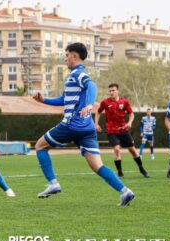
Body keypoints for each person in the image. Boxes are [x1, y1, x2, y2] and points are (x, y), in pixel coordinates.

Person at [32, 42, 134, 206]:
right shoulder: (74, 76)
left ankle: (53, 184)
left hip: (72, 124)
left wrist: (89, 104)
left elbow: (91, 85)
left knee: (39, 146)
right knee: (97, 166)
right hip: (87, 128)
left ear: (74, 56)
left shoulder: (78, 74)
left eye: (66, 56)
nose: (65, 59)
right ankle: (125, 191)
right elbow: (63, 100)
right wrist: (44, 100)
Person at [95, 83, 150, 178]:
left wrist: (129, 123)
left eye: (113, 90)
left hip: (123, 130)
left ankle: (141, 168)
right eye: (110, 91)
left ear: (117, 91)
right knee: (116, 149)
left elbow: (131, 114)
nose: (111, 92)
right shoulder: (105, 102)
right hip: (111, 131)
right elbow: (98, 112)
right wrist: (96, 124)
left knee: (132, 150)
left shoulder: (124, 102)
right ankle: (120, 172)